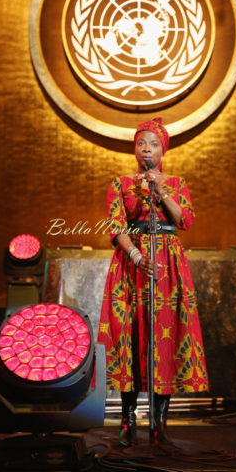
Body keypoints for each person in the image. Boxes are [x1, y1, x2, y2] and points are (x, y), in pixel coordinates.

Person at [97, 117, 209, 446]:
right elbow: (116, 227)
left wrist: (161, 192)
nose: (146, 149)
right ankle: (127, 419)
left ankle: (160, 423)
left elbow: (185, 220)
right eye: (141, 143)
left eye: (153, 144)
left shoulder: (176, 182)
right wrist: (136, 257)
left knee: (166, 337)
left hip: (169, 266)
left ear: (163, 149)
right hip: (133, 265)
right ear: (135, 148)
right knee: (131, 335)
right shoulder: (119, 184)